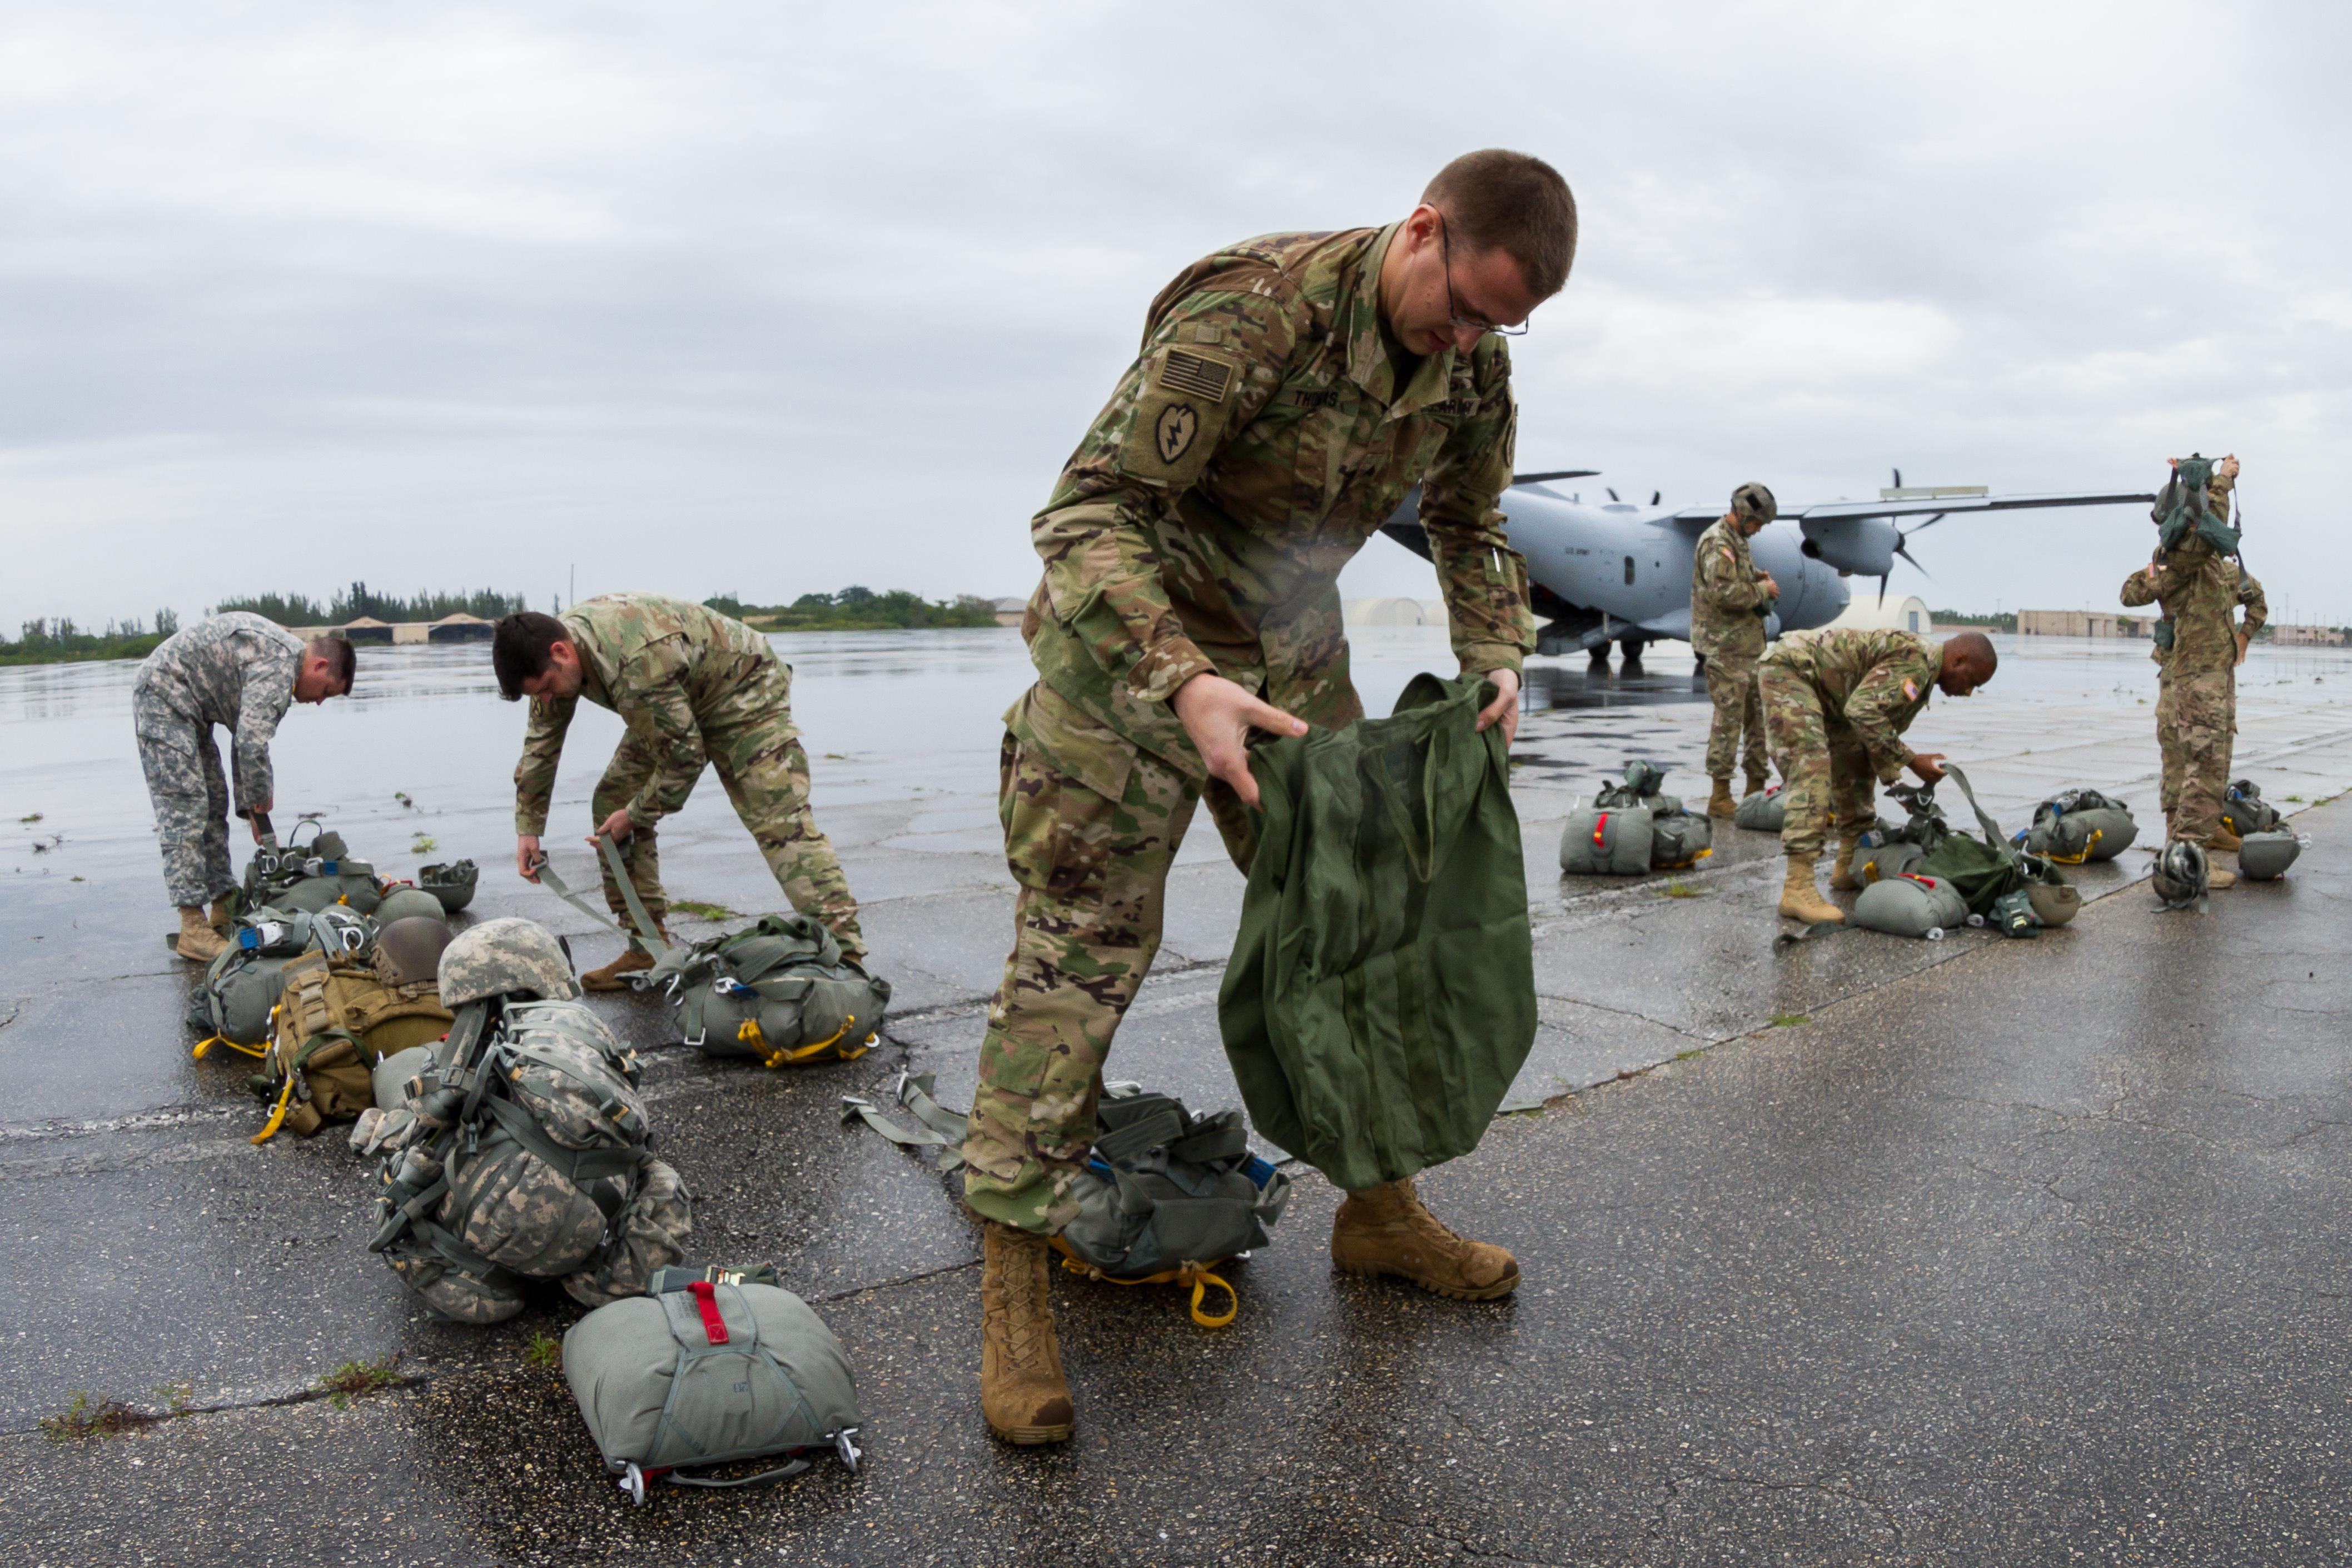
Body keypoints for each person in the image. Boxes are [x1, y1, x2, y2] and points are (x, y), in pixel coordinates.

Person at [960, 148, 1578, 1445]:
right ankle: (1014, 1287)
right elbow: (1086, 511)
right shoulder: (1253, 311)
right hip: (1122, 670)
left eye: (1499, 327)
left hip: (1287, 664)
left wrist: (1495, 653)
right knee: (1079, 965)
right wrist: (1182, 678)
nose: (1468, 341)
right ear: (1423, 230)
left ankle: (1379, 1211)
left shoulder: (1472, 364)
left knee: (1354, 934)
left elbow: (1470, 522)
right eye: (1463, 308)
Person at [494, 595, 866, 987]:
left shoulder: (635, 662)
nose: (546, 699)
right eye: (537, 695)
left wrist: (636, 815)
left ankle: (845, 957)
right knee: (613, 800)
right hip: (674, 698)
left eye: (547, 687)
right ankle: (646, 946)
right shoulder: (548, 655)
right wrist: (528, 829)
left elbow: (684, 758)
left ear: (561, 651)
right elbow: (540, 747)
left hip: (743, 691)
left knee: (780, 824)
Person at [134, 613, 356, 960]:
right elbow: (252, 742)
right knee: (186, 808)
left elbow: (244, 735)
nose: (319, 701)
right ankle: (192, 926)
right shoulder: (281, 665)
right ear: (320, 665)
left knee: (214, 801)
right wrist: (260, 802)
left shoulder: (281, 661)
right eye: (326, 691)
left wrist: (252, 808)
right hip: (163, 697)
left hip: (191, 707)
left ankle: (223, 904)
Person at [1760, 627, 1997, 924]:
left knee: (1855, 762)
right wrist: (1911, 760)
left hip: (1832, 692)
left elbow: (1870, 735)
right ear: (1958, 661)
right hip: (1792, 671)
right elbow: (1863, 711)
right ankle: (1797, 888)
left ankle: (1848, 865)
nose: (1968, 692)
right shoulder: (1916, 663)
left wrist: (1897, 784)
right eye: (1972, 681)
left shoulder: (1923, 672)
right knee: (1812, 769)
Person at [2120, 454, 2265, 888]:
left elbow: (2256, 598)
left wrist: (2243, 636)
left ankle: (2197, 835)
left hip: (2211, 678)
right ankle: (2187, 853)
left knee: (2198, 762)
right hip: (2189, 680)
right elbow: (2132, 590)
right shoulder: (2178, 557)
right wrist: (2221, 481)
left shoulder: (2219, 570)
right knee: (2198, 763)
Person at [1691, 482, 1780, 816]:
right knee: (1728, 721)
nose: (1758, 530)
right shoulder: (1718, 542)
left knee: (1758, 720)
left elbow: (1731, 578)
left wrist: (1754, 576)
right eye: (1757, 523)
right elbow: (1723, 593)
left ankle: (1755, 789)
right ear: (1742, 515)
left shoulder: (1736, 541)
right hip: (1726, 649)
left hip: (1748, 647)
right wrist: (1762, 590)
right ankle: (1720, 797)